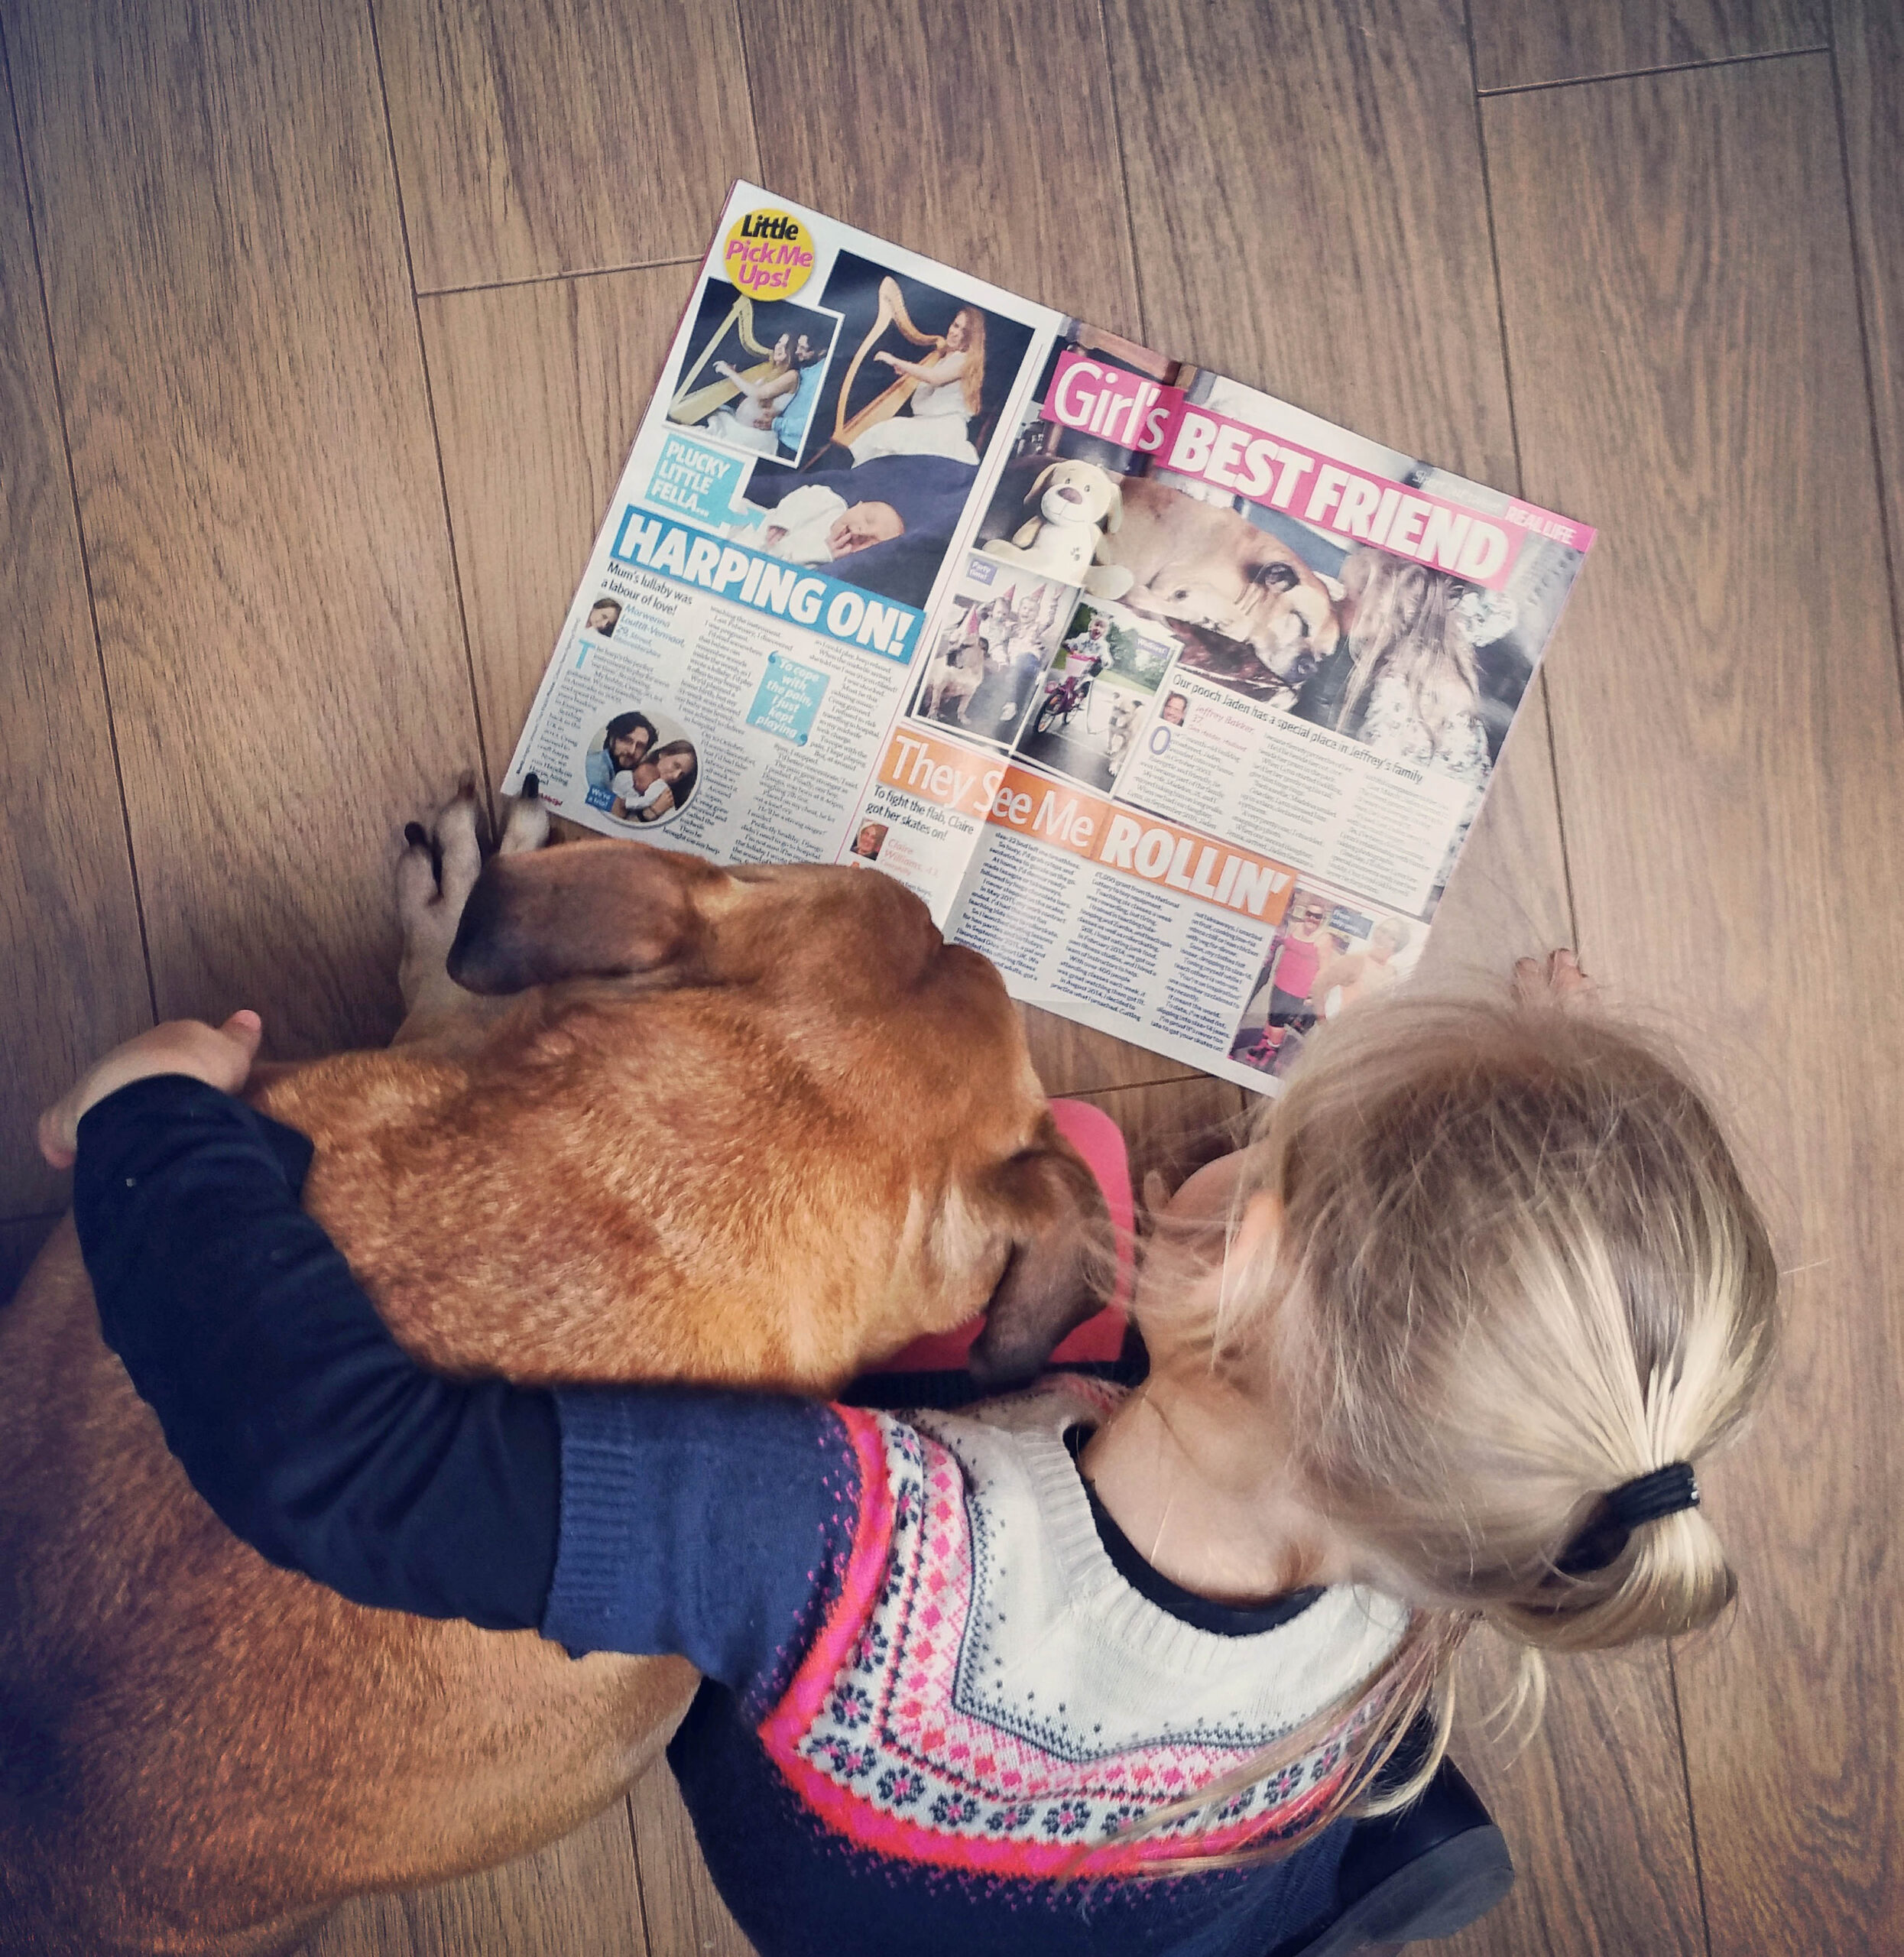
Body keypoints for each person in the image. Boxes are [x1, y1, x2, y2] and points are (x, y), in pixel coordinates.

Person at [43, 953, 1779, 1957]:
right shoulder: (1471, 1539)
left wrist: (148, 1127)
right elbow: (1502, 1365)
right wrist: (1549, 1128)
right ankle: (1334, 1891)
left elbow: (336, 1462)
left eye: (1266, 1137)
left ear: (1225, 1237)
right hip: (1199, 1843)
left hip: (852, 1873)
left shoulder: (824, 1529)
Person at [846, 306, 988, 465]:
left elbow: (935, 378)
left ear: (970, 338)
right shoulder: (943, 360)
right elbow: (930, 380)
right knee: (886, 432)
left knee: (888, 432)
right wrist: (909, 371)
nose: (955, 333)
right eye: (955, 325)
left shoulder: (965, 360)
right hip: (928, 423)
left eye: (964, 331)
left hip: (944, 429)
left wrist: (895, 360)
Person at [611, 738, 696, 824]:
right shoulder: (626, 775)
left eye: (682, 775)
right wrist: (653, 811)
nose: (675, 776)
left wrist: (653, 812)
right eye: (676, 765)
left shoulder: (667, 800)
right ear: (663, 755)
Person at [584, 709, 657, 797]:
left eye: (640, 746)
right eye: (627, 741)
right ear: (612, 739)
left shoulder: (632, 775)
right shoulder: (594, 767)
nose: (632, 751)